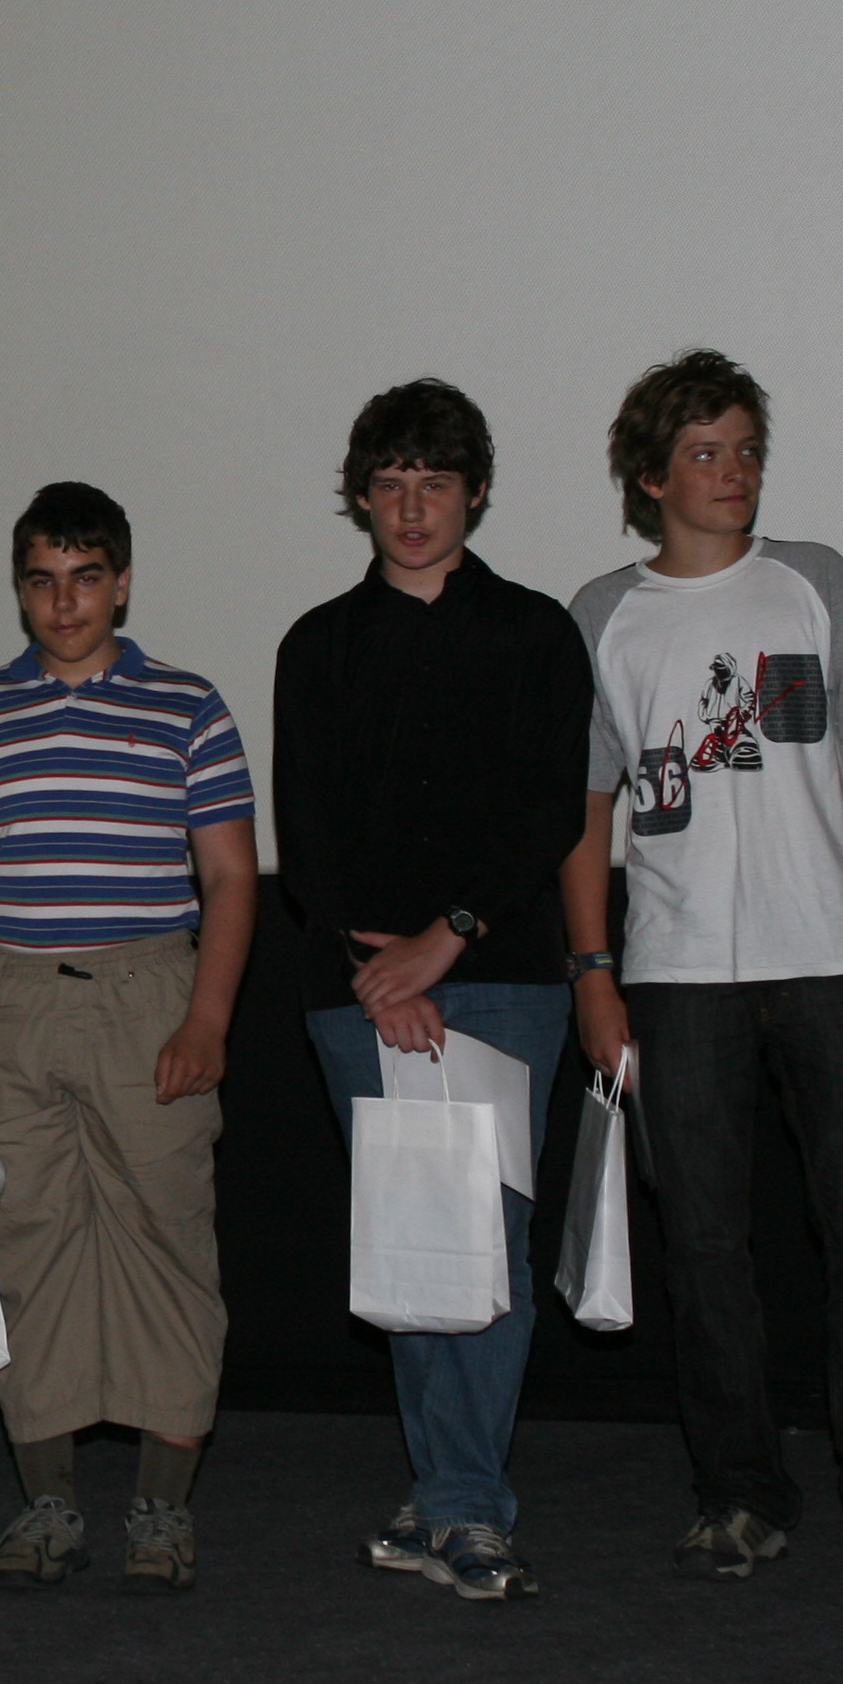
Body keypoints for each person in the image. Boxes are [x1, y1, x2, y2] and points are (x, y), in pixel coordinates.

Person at [562, 351, 843, 1580]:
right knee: (704, 1249)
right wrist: (591, 971)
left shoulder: (818, 580)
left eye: (746, 450)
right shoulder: (600, 615)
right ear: (650, 476)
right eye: (704, 452)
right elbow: (584, 813)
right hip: (676, 973)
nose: (733, 472)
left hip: (836, 959)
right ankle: (738, 1491)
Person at [271, 383, 594, 1604]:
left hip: (503, 976)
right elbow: (308, 834)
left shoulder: (535, 632)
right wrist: (382, 975)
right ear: (362, 496)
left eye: (437, 484)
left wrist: (445, 937)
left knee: (489, 1244)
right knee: (411, 1239)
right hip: (357, 986)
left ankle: (458, 1497)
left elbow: (550, 812)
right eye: (392, 484)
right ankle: (457, 1492)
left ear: (476, 493)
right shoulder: (318, 643)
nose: (413, 508)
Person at [0, 483, 255, 1594]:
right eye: (43, 581)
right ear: (20, 591)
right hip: (6, 1003)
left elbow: (230, 874)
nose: (65, 603)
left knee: (167, 1237)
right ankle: (50, 1501)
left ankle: (161, 1507)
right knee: (29, 1241)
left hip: (149, 993)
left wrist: (207, 1016)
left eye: (87, 578)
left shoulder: (188, 706)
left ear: (123, 583)